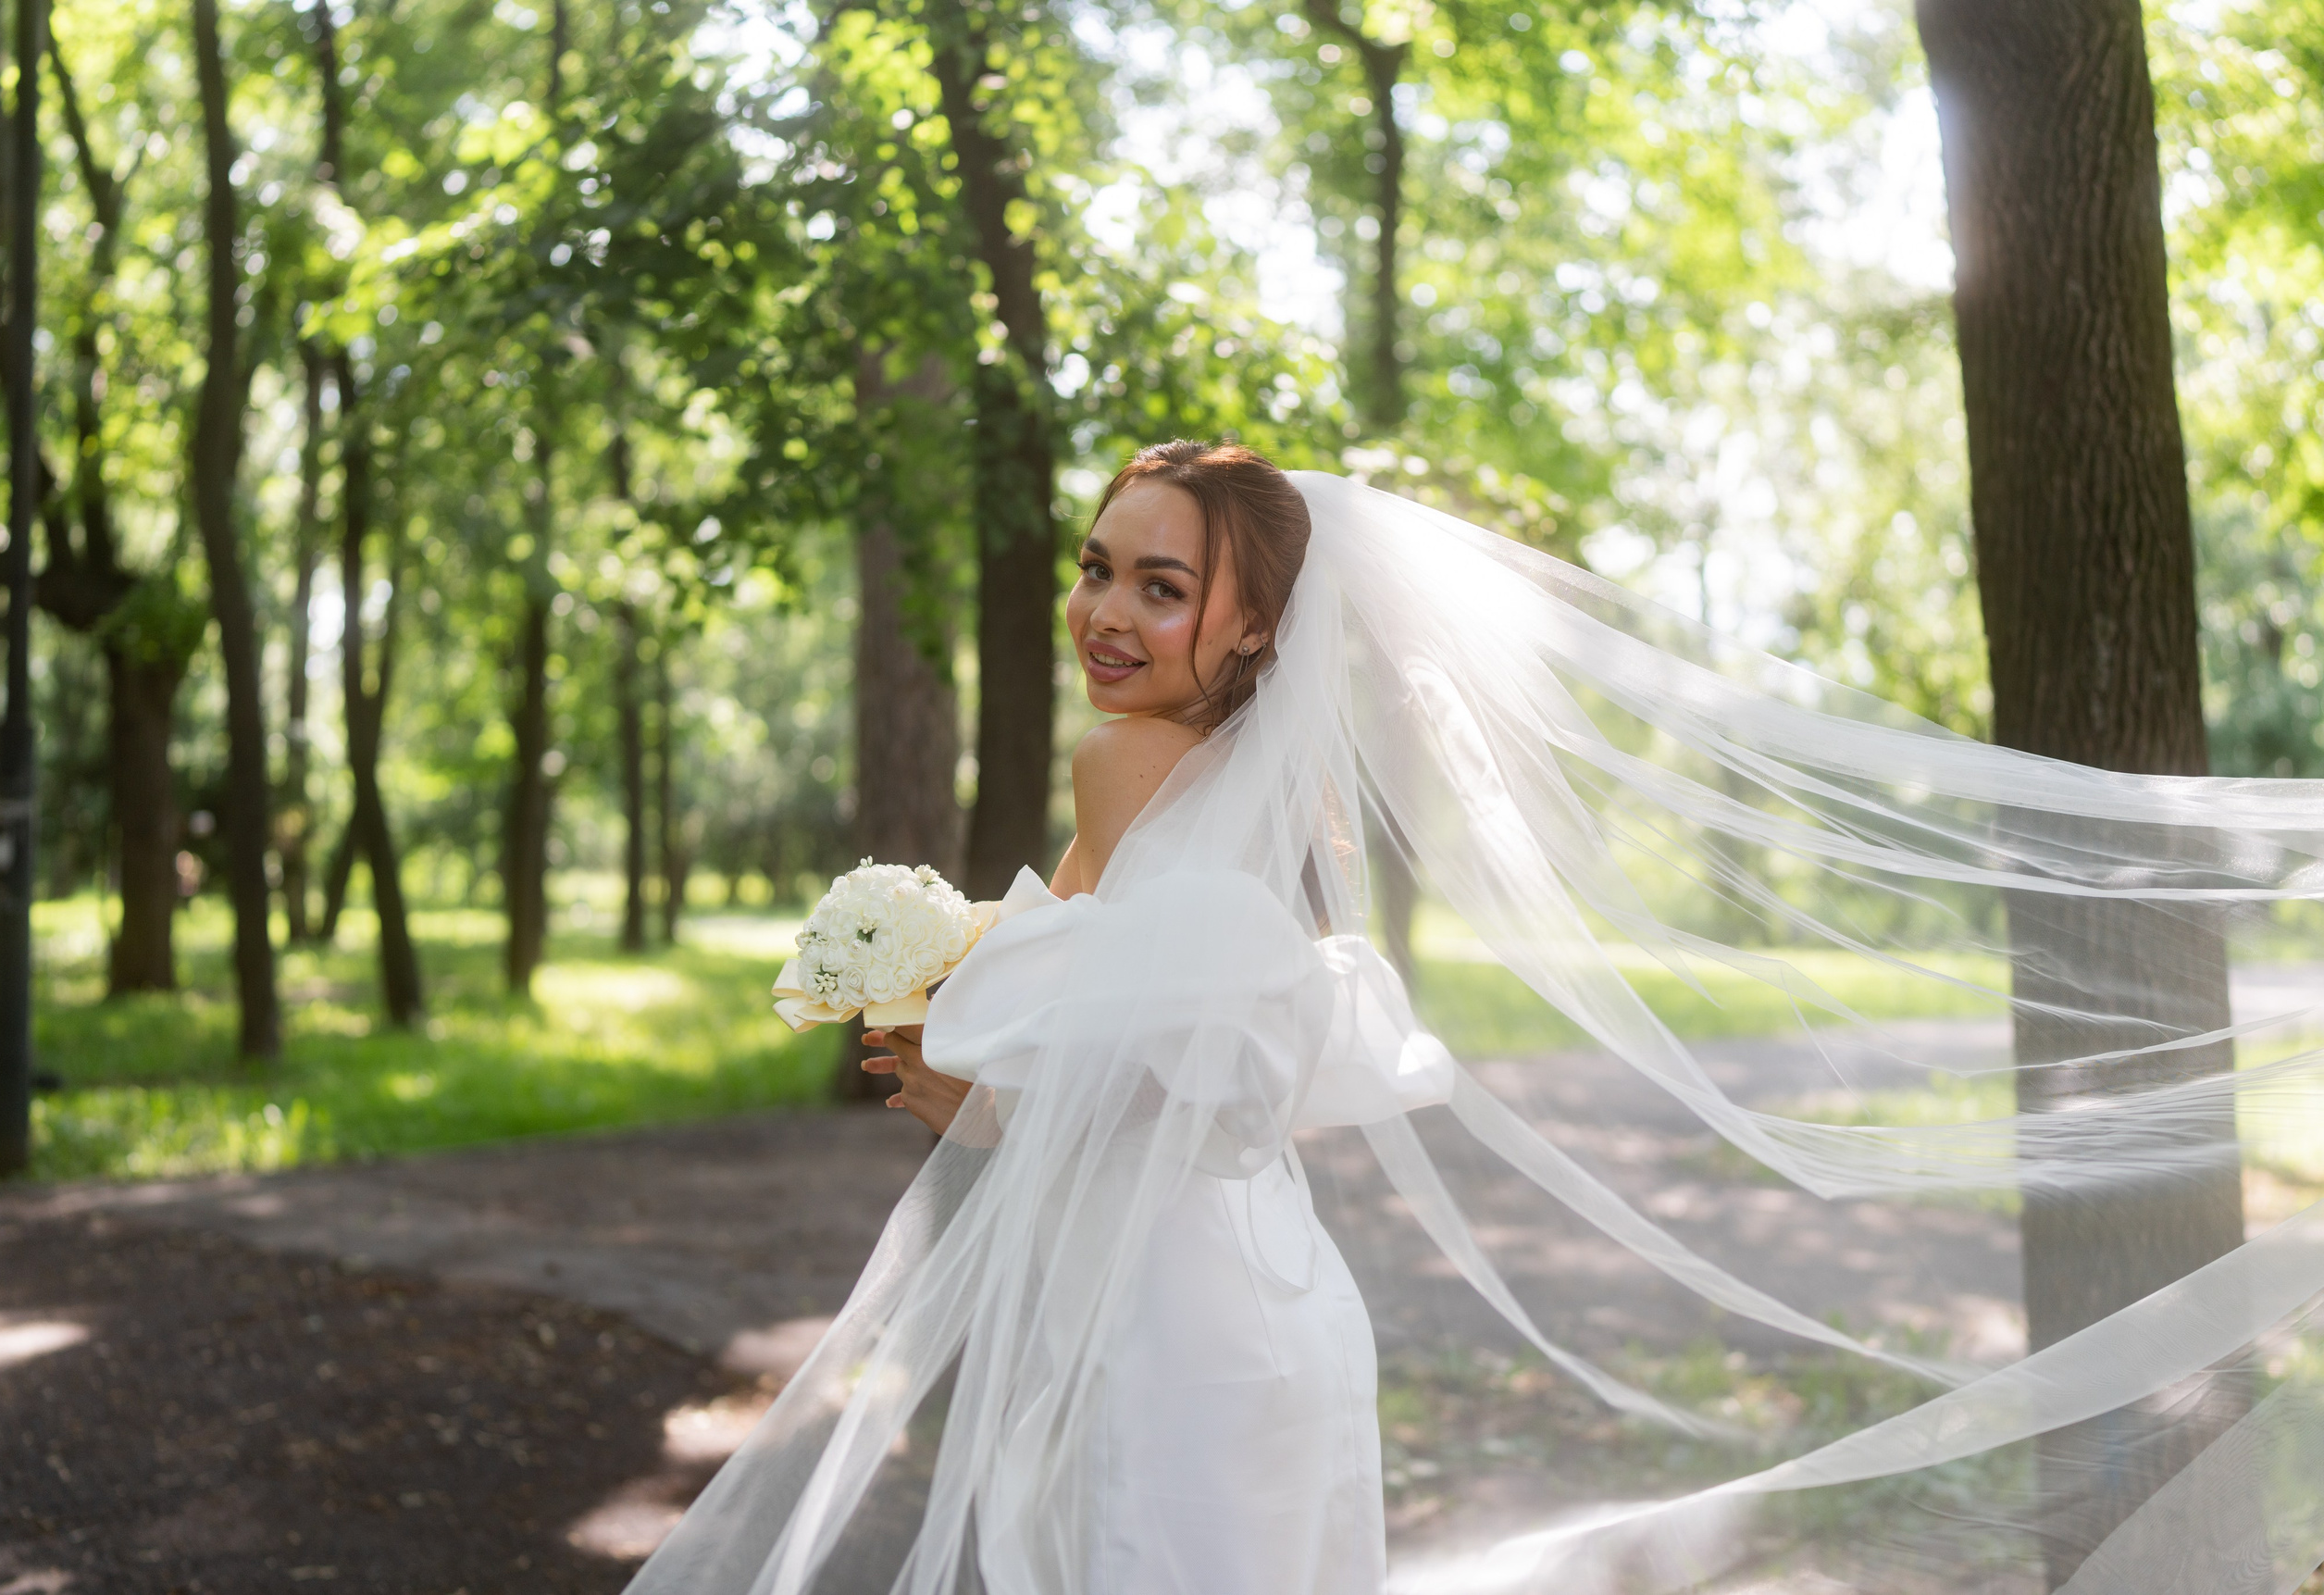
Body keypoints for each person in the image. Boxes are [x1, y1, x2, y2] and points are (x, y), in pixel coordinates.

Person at [628, 442, 2324, 1595]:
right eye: (1099, 571)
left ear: (1259, 626)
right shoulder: (1270, 803)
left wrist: (958, 1071)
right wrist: (957, 1074)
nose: (1106, 615)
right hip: (1258, 1295)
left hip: (1174, 1333)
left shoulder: (1136, 769)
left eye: (1161, 587)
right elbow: (1185, 1088)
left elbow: (1126, 1081)